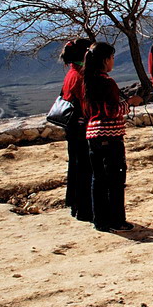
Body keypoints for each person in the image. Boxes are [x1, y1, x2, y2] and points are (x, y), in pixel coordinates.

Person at [82, 42, 144, 233]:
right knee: (116, 180)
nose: (113, 61)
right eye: (112, 58)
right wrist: (130, 103)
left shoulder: (87, 81)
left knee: (99, 180)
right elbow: (111, 110)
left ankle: (100, 220)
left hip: (93, 134)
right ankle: (117, 221)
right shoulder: (107, 82)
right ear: (105, 60)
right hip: (110, 135)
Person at [60, 38, 94, 222]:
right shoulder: (81, 76)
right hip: (81, 128)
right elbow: (86, 105)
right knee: (85, 169)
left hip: (73, 127)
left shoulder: (72, 73)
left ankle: (75, 205)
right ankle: (84, 209)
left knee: (76, 166)